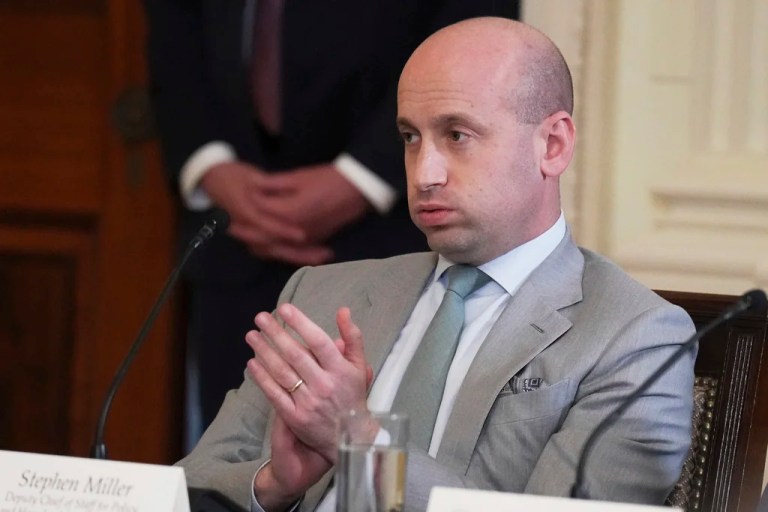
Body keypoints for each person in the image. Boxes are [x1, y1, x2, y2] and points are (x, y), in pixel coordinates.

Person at [178, 17, 696, 512]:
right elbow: (190, 486)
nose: (424, 173)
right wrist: (273, 487)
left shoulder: (635, 339)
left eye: (457, 136)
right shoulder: (317, 296)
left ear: (553, 145)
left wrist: (360, 440)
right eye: (410, 138)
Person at [142, 0, 519, 447]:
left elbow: (470, 34)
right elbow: (176, 43)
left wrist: (363, 176)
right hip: (235, 243)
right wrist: (209, 164)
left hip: (388, 235)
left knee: (380, 464)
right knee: (233, 466)